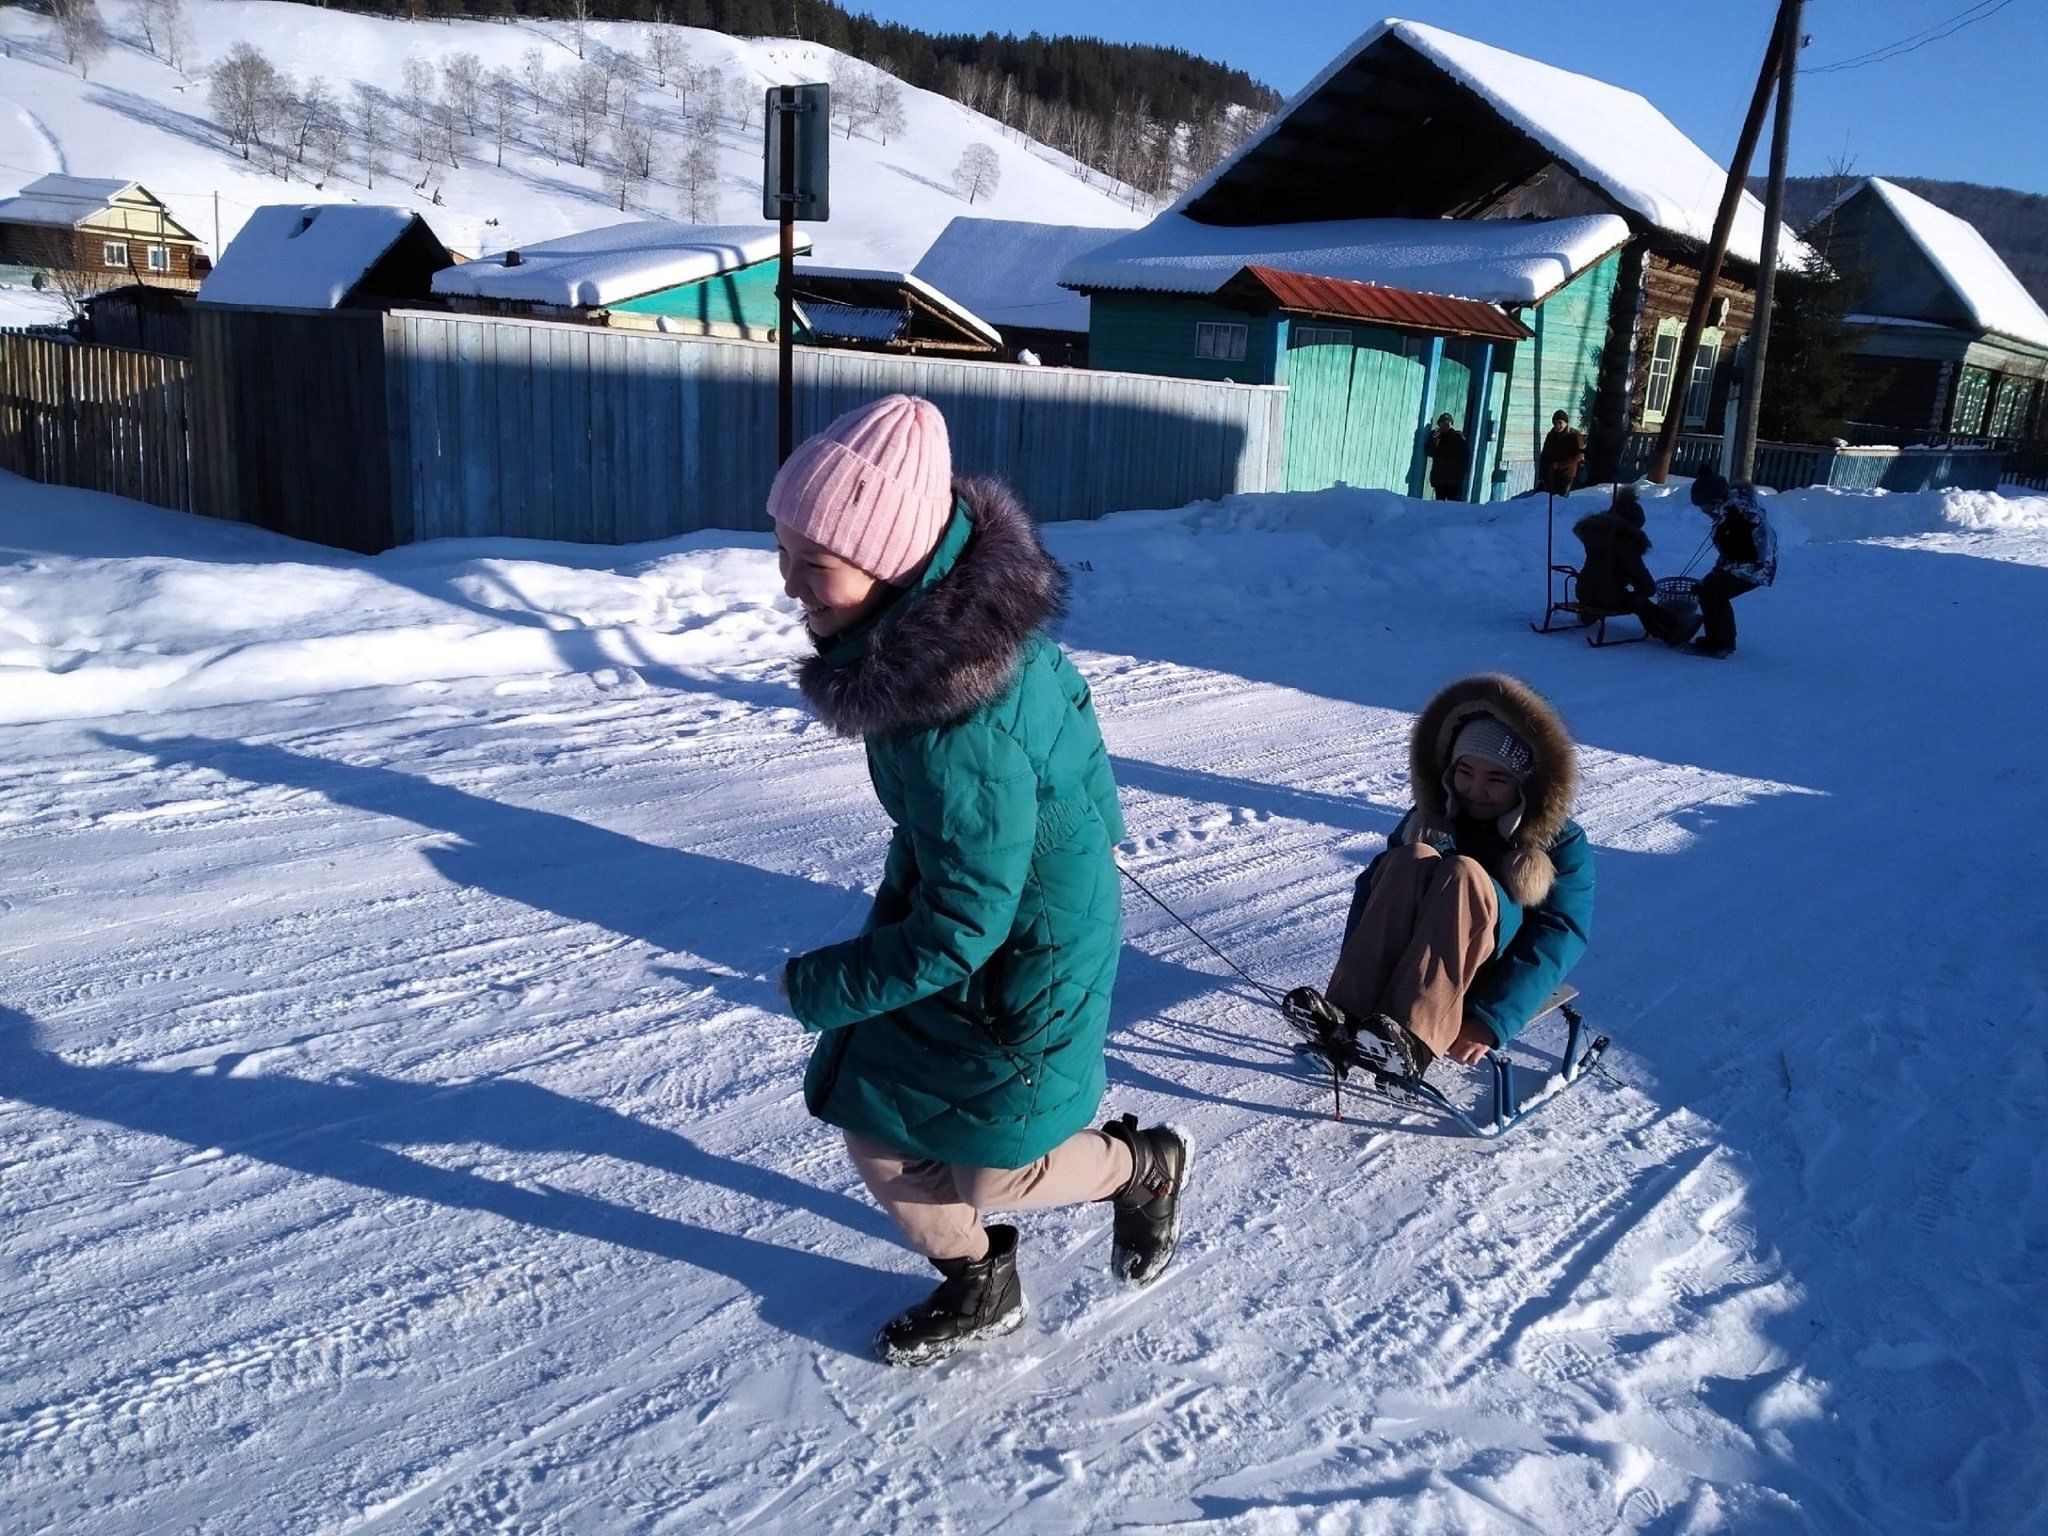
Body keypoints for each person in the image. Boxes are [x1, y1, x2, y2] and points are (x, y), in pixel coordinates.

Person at [772, 394, 1191, 1368]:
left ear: (891, 563)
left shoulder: (955, 720)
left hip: (1020, 965)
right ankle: (978, 1281)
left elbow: (962, 924)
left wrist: (825, 985)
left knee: (995, 1173)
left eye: (813, 563)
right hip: (995, 922)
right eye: (783, 548)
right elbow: (1071, 728)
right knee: (876, 1127)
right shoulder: (957, 645)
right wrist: (1076, 828)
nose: (789, 583)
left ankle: (1143, 1166)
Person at [1285, 674, 1594, 1080]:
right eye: (1465, 771)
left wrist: (1491, 1017)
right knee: (1408, 857)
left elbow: (1559, 933)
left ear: (1526, 783)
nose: (1474, 789)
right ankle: (1346, 1017)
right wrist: (1360, 968)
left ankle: (1413, 1040)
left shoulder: (1561, 841)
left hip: (1485, 965)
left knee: (1461, 873)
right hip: (1411, 949)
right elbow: (1374, 898)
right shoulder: (1429, 819)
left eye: (1496, 778)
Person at [1686, 469, 1777, 658]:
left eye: (1702, 505)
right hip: (1754, 561)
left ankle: (1719, 644)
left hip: (1755, 565)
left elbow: (1738, 553)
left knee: (1713, 594)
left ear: (1713, 500)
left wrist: (1713, 578)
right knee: (1711, 590)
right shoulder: (1733, 506)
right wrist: (1711, 577)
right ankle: (1723, 641)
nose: (1702, 511)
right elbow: (1731, 553)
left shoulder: (1734, 512)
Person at [1571, 483, 1656, 617]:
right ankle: (1671, 629)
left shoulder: (1597, 535)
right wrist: (1648, 589)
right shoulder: (1625, 542)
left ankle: (1589, 613)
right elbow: (1636, 570)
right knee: (1643, 605)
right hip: (1607, 596)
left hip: (1583, 590)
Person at [1539, 410, 1585, 497]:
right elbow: (1544, 455)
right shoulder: (1551, 435)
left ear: (1566, 423)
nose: (1558, 426)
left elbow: (1578, 456)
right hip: (1552, 474)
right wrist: (1542, 476)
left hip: (1567, 475)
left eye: (1560, 422)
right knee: (1549, 501)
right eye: (1555, 423)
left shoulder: (1574, 435)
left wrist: (1559, 464)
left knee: (1562, 501)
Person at [1426, 413, 1469, 501]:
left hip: (1453, 480)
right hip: (1440, 478)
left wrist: (1462, 472)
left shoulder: (1458, 438)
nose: (1444, 425)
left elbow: (1465, 457)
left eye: (1447, 422)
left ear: (1451, 424)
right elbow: (1430, 452)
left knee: (1451, 505)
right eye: (1442, 423)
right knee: (1439, 503)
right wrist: (1434, 440)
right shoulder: (1437, 437)